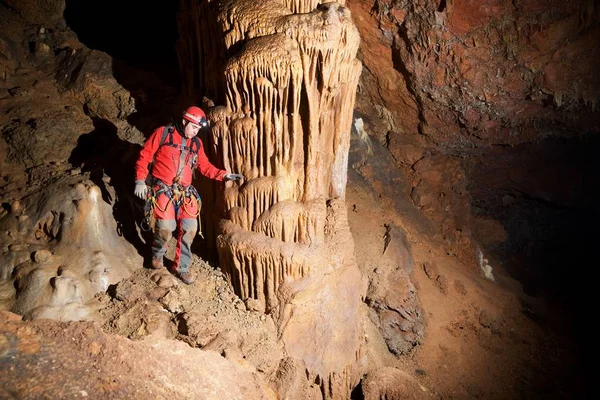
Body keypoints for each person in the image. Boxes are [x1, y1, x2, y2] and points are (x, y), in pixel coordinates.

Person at [134, 106, 243, 284]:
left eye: (198, 129)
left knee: (190, 229)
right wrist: (140, 180)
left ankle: (181, 267)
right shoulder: (163, 134)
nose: (195, 132)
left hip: (185, 192)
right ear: (184, 121)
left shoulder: (196, 144)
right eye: (193, 127)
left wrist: (224, 175)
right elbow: (145, 156)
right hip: (163, 188)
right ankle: (157, 254)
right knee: (166, 227)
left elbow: (205, 166)